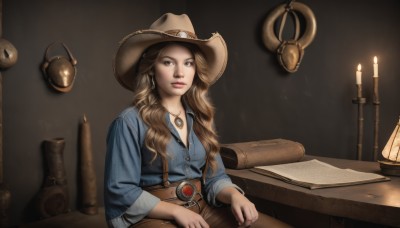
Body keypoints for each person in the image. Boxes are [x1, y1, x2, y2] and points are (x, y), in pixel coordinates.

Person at [104, 13, 291, 228]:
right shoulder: (128, 122)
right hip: (152, 216)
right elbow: (121, 191)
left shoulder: (201, 118)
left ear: (196, 69)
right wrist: (175, 212)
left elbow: (214, 178)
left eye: (188, 63)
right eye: (168, 62)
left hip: (201, 207)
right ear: (152, 69)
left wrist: (234, 195)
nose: (179, 72)